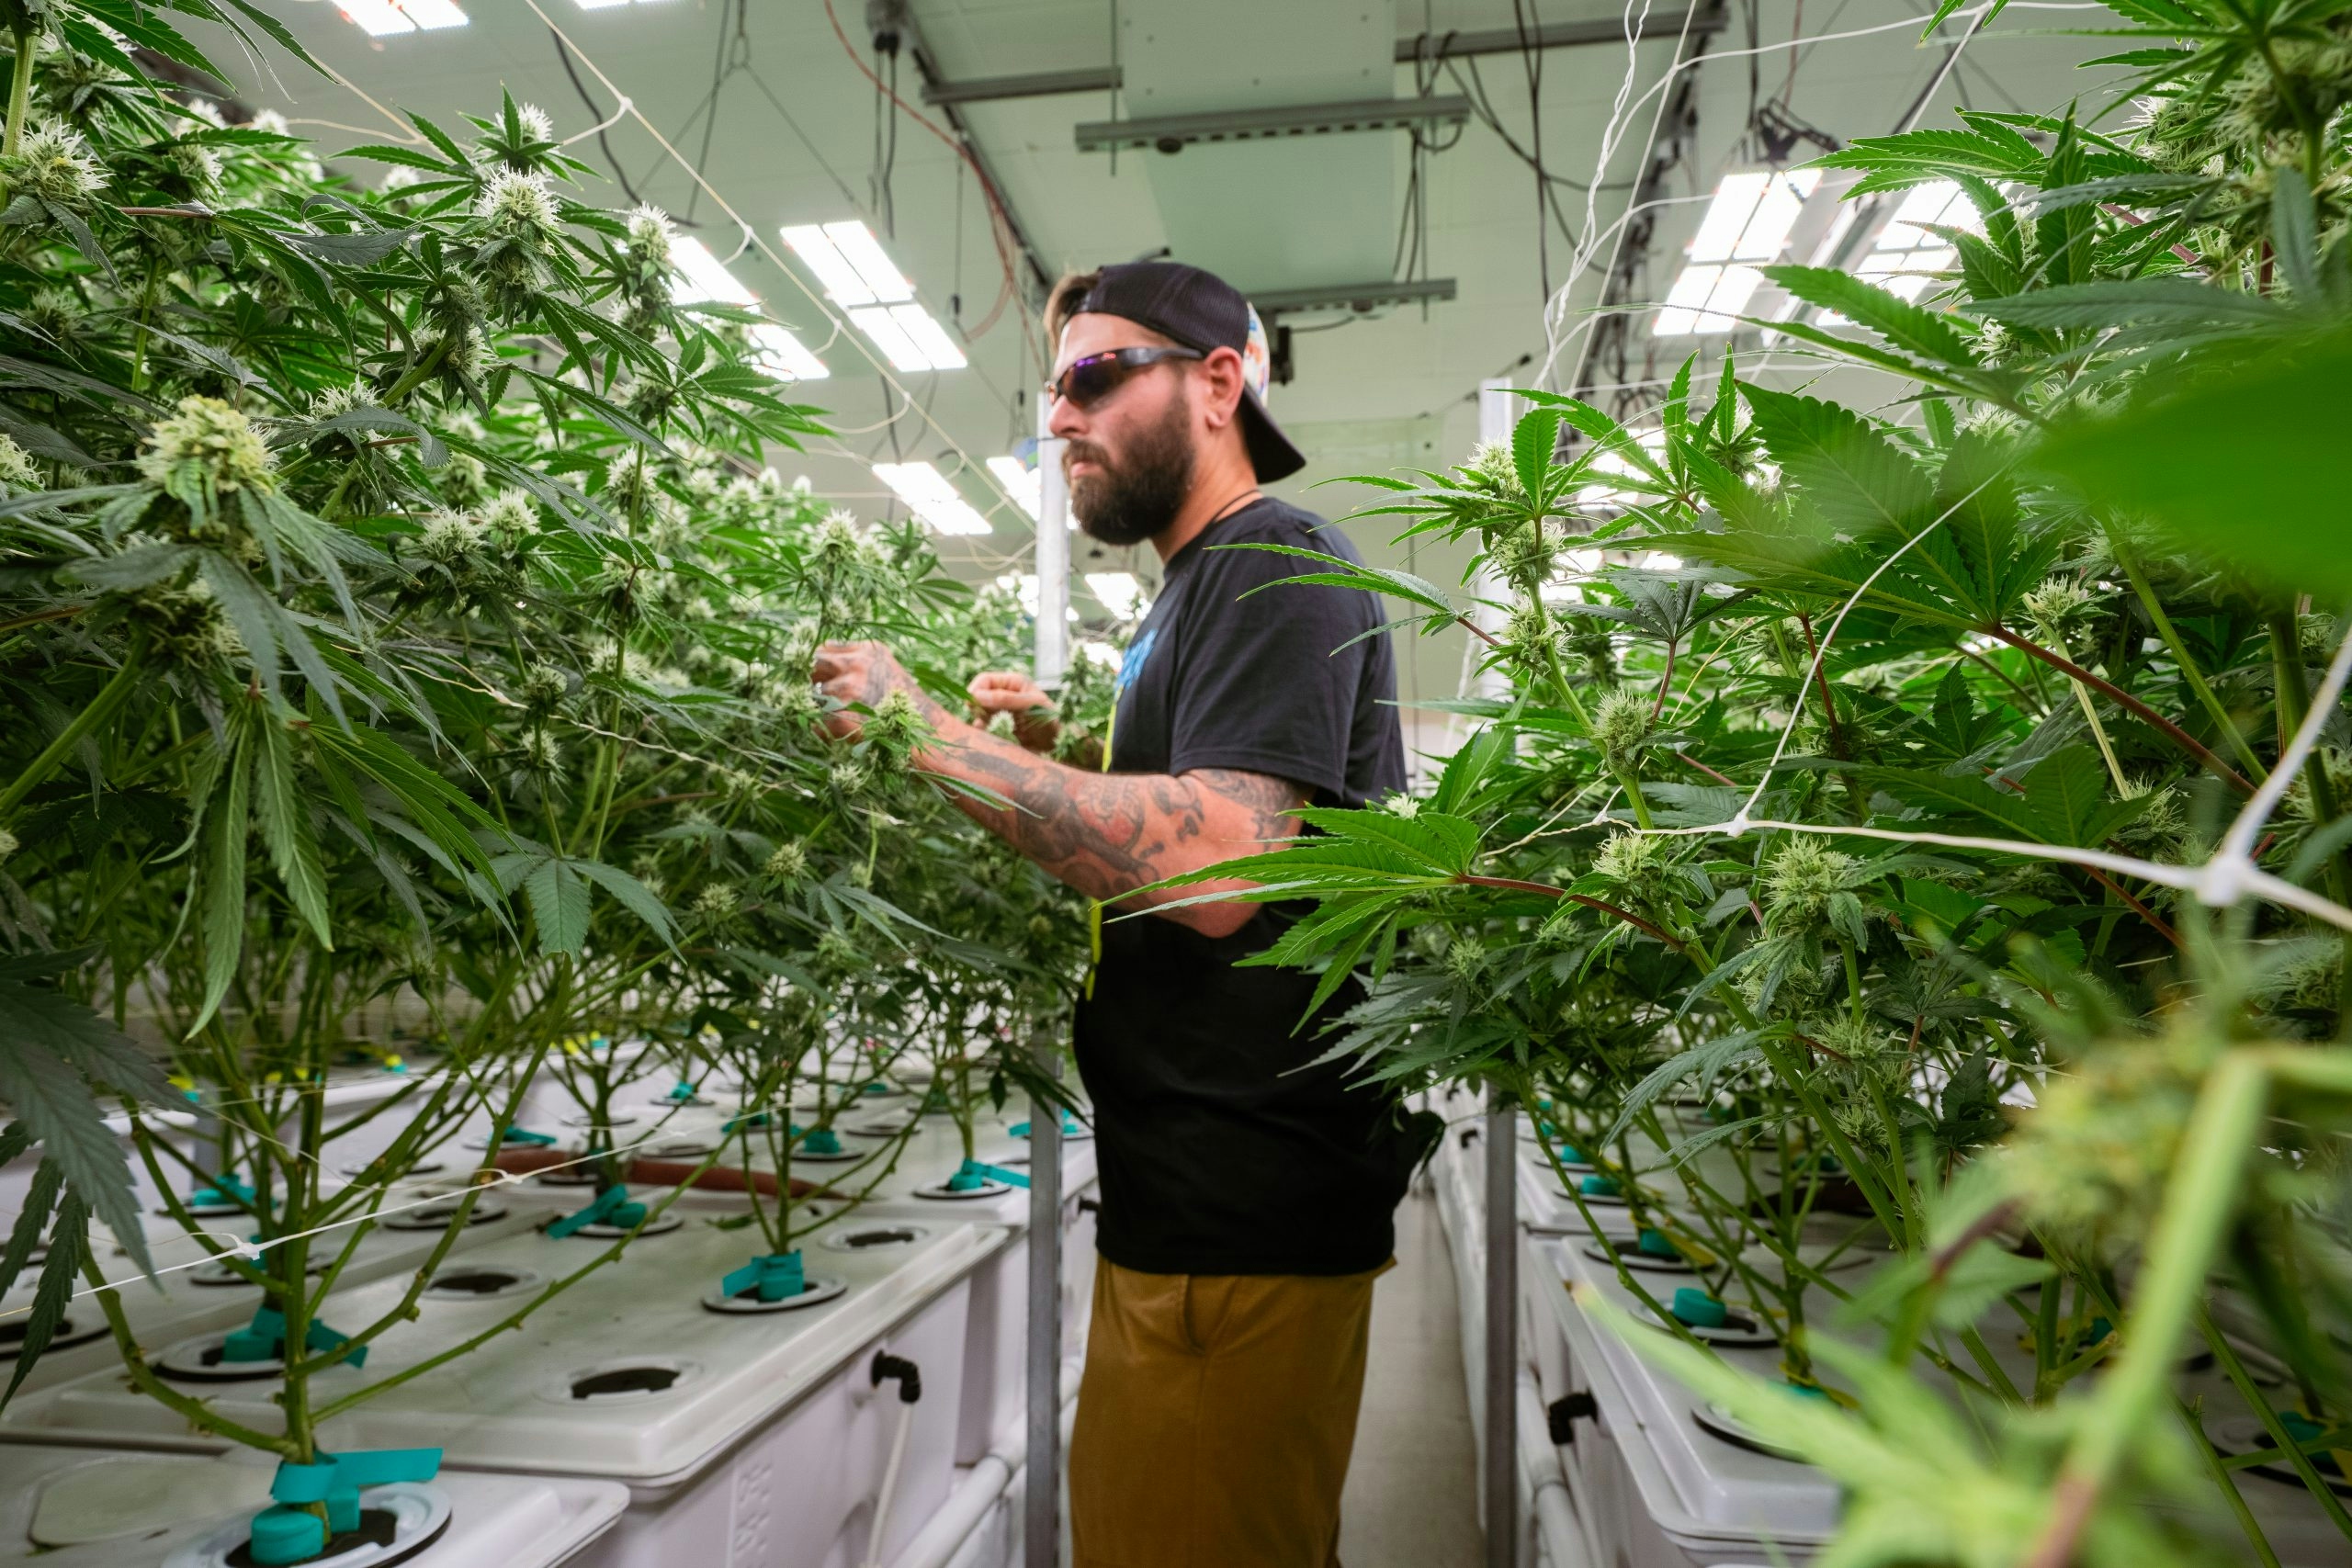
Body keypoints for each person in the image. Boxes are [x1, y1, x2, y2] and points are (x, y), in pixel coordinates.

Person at [813, 260, 1425, 1567]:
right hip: (1195, 1203)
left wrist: (929, 736)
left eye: (1093, 377)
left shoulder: (1273, 559)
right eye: (1053, 390)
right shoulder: (1193, 590)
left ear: (1218, 383)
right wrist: (1059, 754)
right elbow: (1225, 818)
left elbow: (1220, 866)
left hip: (1240, 1215)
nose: (1059, 417)